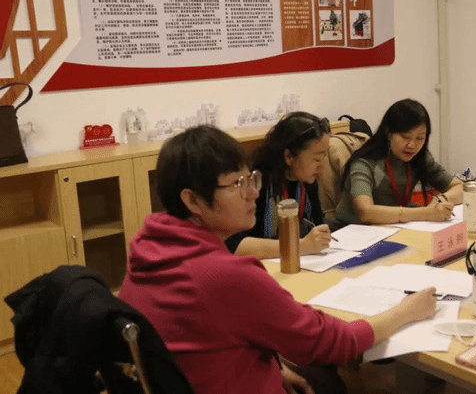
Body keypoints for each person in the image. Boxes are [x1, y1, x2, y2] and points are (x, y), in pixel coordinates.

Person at [118, 125, 438, 394]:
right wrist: (405, 311)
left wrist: (275, 367)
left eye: (251, 180)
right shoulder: (225, 275)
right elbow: (330, 342)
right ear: (192, 200)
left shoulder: (149, 249)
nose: (252, 193)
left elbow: (202, 340)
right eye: (237, 184)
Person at [334, 99, 463, 227]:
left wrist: (442, 199)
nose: (412, 145)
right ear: (388, 133)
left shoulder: (419, 158)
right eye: (405, 137)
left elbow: (461, 187)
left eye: (420, 138)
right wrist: (426, 213)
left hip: (393, 226)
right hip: (353, 230)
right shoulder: (365, 163)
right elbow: (365, 212)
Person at [226, 112, 333, 258]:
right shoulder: (254, 180)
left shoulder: (307, 180)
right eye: (316, 159)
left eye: (324, 156)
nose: (322, 166)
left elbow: (317, 225)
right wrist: (300, 246)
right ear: (288, 156)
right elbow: (234, 244)